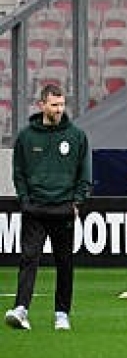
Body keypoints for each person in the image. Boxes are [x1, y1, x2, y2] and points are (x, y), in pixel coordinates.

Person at [5, 84, 91, 332]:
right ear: (41, 105)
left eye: (62, 104)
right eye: (54, 105)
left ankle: (62, 314)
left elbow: (84, 172)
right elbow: (18, 171)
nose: (59, 109)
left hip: (63, 209)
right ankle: (21, 309)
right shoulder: (26, 136)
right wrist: (24, 199)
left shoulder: (76, 136)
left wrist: (77, 200)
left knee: (64, 263)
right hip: (35, 209)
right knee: (28, 259)